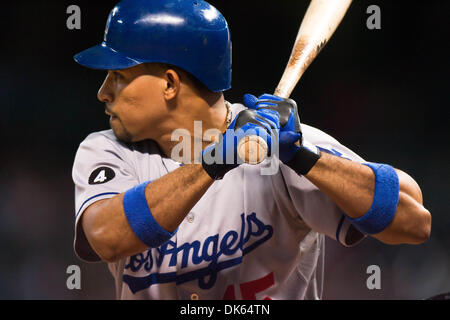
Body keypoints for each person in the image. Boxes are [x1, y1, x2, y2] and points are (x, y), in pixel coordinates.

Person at [72, 0, 431, 300]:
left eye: (117, 76)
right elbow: (107, 237)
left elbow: (414, 222)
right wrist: (214, 162)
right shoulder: (106, 150)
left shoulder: (286, 145)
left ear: (169, 84)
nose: (103, 92)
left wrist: (306, 159)